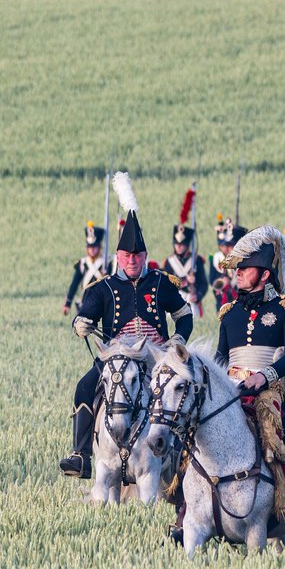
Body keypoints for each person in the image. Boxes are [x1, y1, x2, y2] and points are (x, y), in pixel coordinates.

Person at [61, 173, 193, 479]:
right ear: (119, 256)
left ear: (145, 256)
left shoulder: (161, 282)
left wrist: (178, 339)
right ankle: (80, 453)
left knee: (183, 394)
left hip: (156, 355)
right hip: (117, 356)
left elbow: (184, 315)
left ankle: (187, 459)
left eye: (137, 255)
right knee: (84, 388)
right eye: (127, 255)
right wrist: (81, 322)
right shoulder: (103, 287)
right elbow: (87, 313)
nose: (132, 260)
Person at [213, 225, 285, 551]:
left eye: (244, 269)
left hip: (274, 390)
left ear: (264, 274)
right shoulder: (230, 314)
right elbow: (220, 357)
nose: (237, 274)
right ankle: (186, 511)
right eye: (236, 269)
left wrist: (264, 375)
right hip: (233, 391)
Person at [164, 224, 208, 316]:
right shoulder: (170, 261)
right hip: (174, 299)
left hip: (191, 299)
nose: (178, 246)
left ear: (187, 245)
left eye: (182, 244)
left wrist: (198, 296)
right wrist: (186, 280)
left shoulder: (197, 260)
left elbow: (203, 283)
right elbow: (166, 284)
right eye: (176, 244)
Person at [63, 223, 106, 315]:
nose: (92, 250)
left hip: (103, 303)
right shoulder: (82, 263)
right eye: (90, 247)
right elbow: (74, 284)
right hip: (85, 303)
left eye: (95, 247)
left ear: (100, 247)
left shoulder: (107, 263)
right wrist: (68, 303)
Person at [210, 215, 246, 312]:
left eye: (231, 245)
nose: (227, 249)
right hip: (224, 302)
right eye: (225, 245)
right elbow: (212, 280)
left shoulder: (246, 261)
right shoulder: (217, 258)